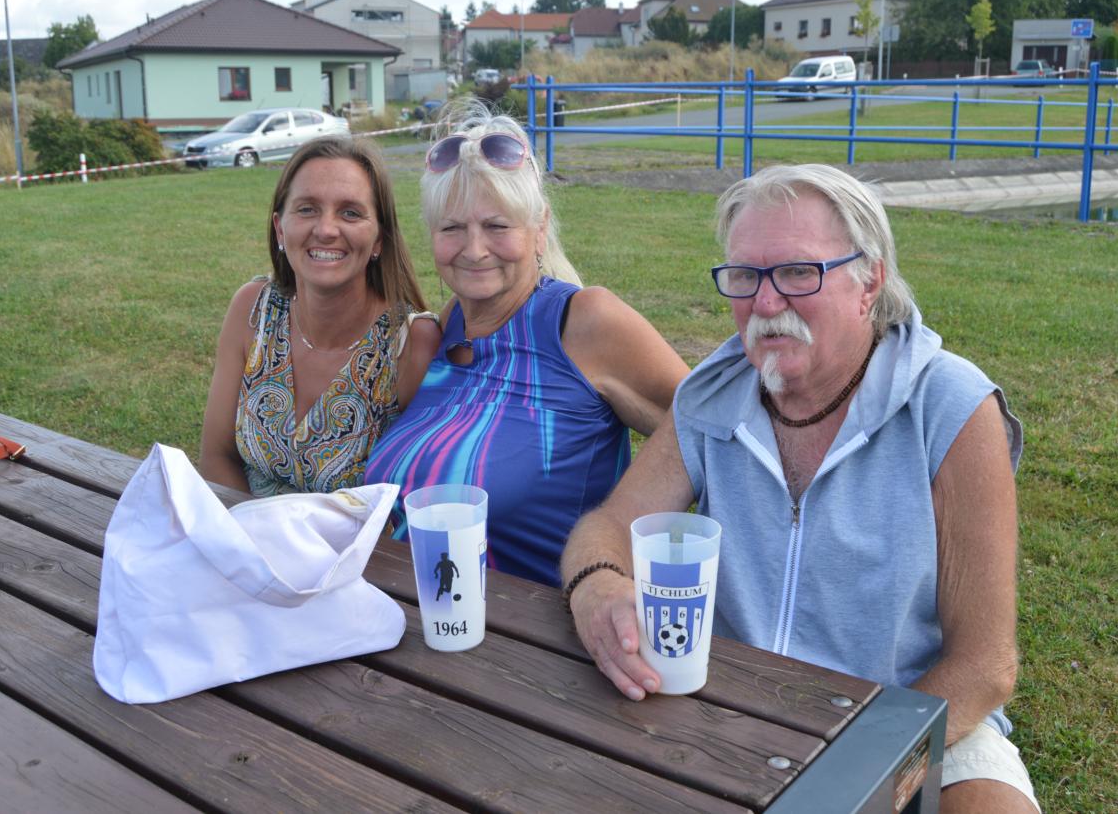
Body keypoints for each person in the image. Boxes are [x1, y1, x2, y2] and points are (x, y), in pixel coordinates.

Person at [561, 164, 1040, 813]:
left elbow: (984, 666)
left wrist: (853, 772)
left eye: (796, 272)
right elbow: (610, 526)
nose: (765, 303)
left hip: (919, 712)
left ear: (869, 281)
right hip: (732, 698)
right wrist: (598, 587)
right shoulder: (714, 395)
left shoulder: (951, 408)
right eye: (745, 276)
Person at [365, 101, 690, 587]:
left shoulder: (582, 323)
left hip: (531, 624)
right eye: (452, 228)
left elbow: (711, 433)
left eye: (497, 226)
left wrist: (624, 532)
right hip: (412, 611)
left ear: (539, 230)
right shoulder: (451, 325)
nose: (474, 250)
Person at [201, 136, 440, 495]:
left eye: (350, 213)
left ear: (379, 239)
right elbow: (216, 457)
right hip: (242, 526)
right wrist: (249, 528)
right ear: (280, 229)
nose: (326, 230)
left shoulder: (412, 344)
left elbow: (421, 498)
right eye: (307, 209)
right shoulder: (253, 310)